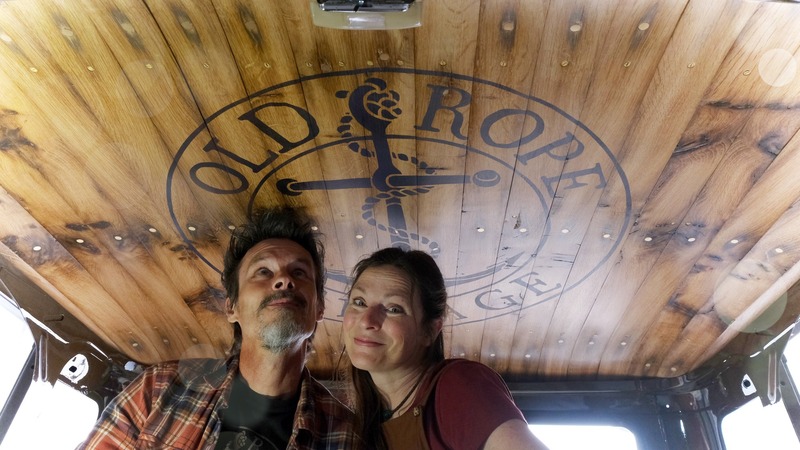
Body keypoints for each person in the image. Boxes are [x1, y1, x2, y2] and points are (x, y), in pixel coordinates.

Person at [80, 207, 356, 449]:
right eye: (263, 272)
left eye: (299, 272)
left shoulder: (349, 435)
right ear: (231, 308)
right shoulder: (159, 388)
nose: (284, 279)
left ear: (319, 308)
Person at [342, 247, 549, 450]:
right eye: (359, 302)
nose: (367, 320)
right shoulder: (363, 423)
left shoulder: (458, 386)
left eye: (394, 309)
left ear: (430, 330)